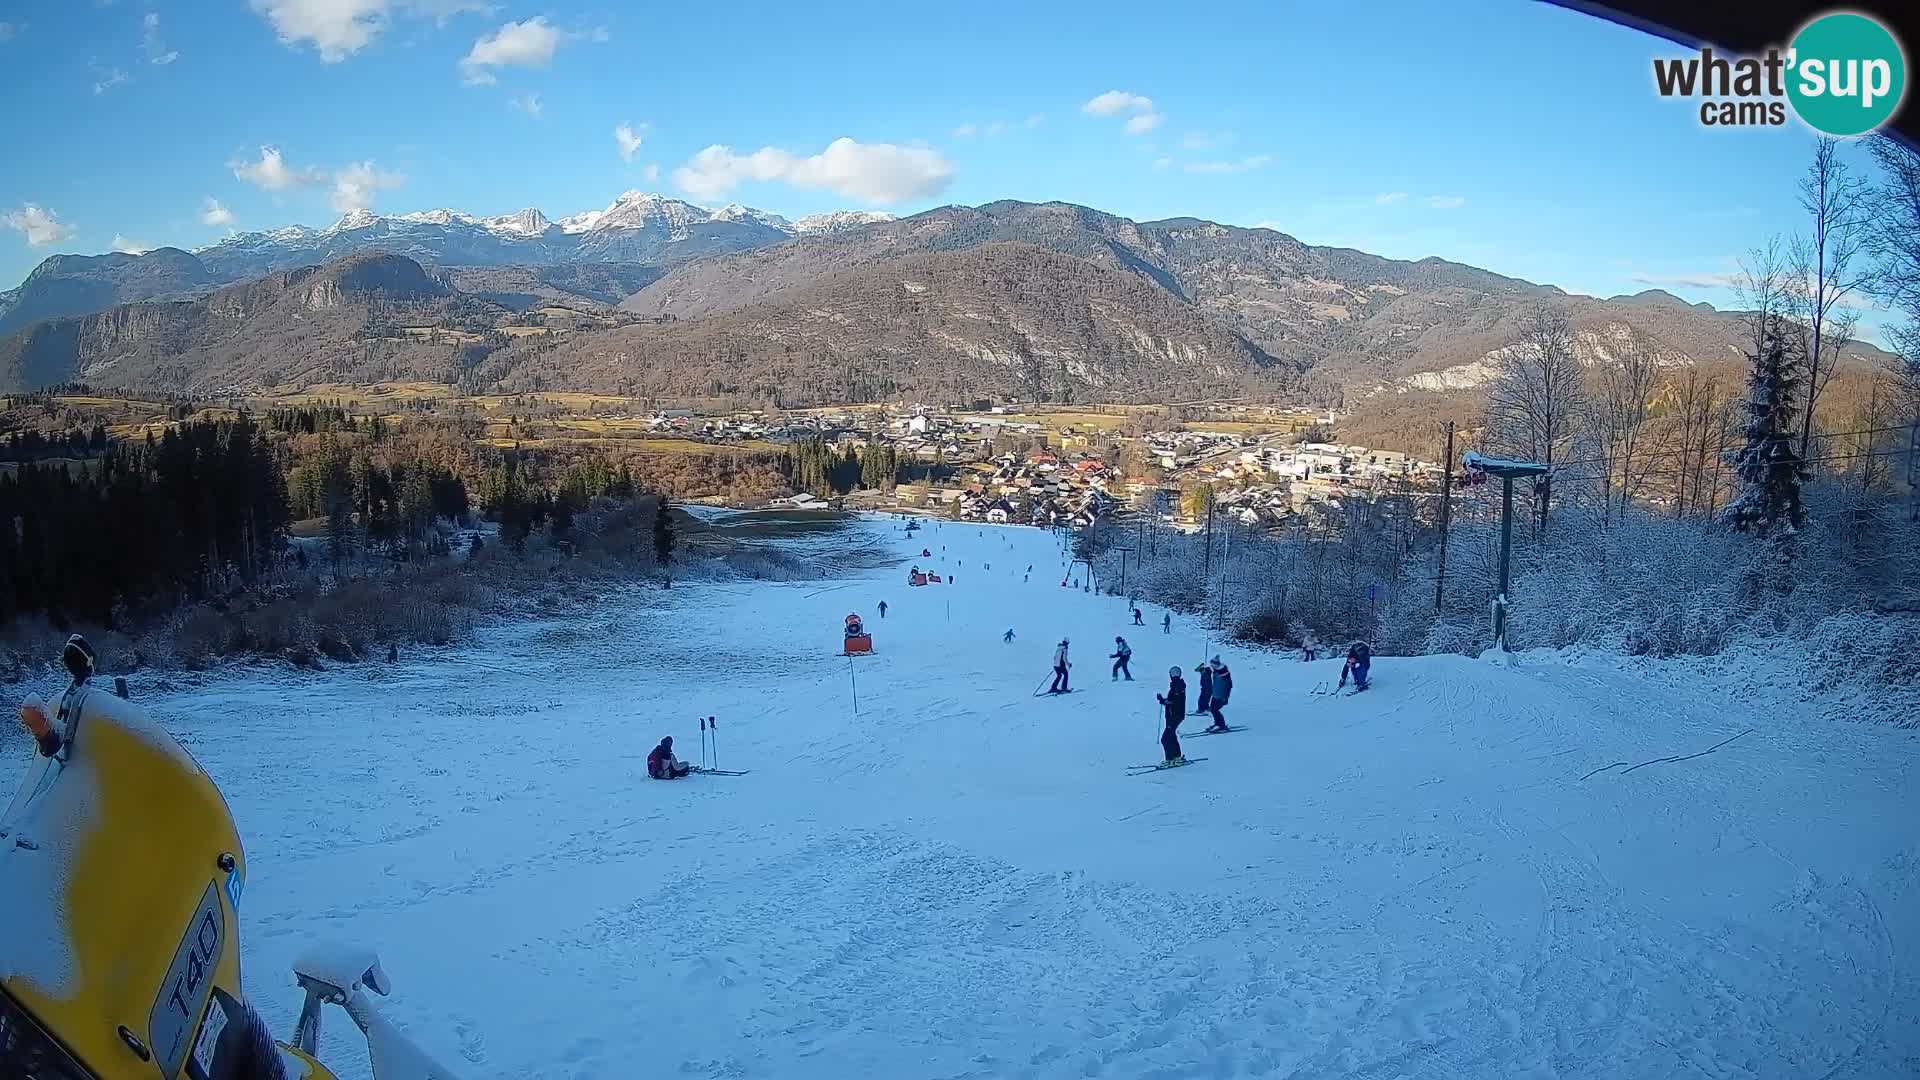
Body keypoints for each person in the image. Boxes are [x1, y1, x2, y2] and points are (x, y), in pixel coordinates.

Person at [1155, 666, 1187, 765]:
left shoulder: (1177, 685)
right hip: (1174, 715)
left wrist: (1164, 701)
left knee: (1165, 739)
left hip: (1175, 716)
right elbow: (1173, 700)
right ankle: (1177, 757)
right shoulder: (1178, 684)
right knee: (1171, 736)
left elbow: (1174, 701)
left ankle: (1169, 759)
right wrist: (1164, 701)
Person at [1205, 656, 1232, 732]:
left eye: (1212, 665)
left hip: (1221, 696)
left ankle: (1221, 725)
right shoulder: (1216, 671)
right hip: (1215, 695)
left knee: (1215, 710)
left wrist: (1225, 697)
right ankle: (1217, 724)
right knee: (1213, 710)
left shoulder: (1224, 673)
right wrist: (1206, 672)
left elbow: (1228, 686)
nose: (1211, 667)